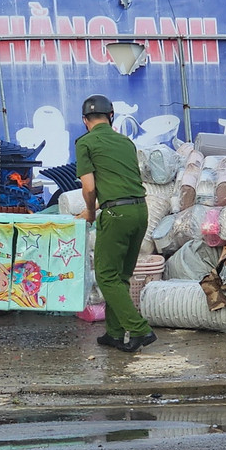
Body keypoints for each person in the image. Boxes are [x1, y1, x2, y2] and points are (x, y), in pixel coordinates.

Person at [75, 94, 156, 353]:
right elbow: (120, 184)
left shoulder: (85, 143)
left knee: (105, 276)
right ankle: (114, 332)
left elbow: (89, 187)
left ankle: (140, 329)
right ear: (111, 117)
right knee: (120, 276)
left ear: (85, 121)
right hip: (141, 211)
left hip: (116, 216)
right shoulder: (126, 142)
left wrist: (89, 211)